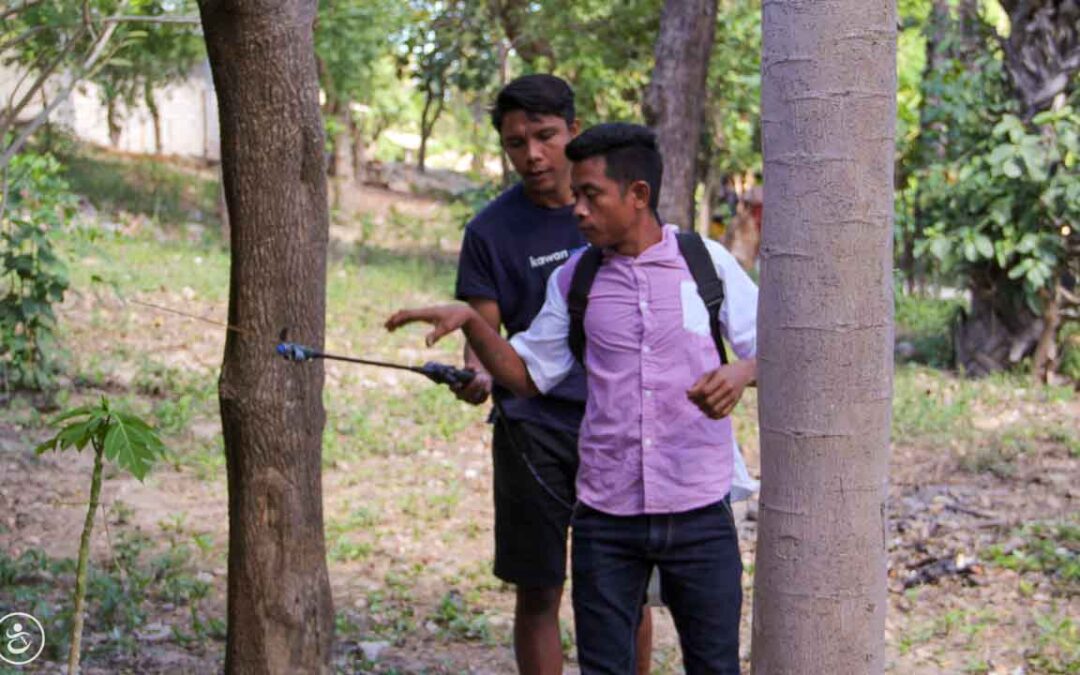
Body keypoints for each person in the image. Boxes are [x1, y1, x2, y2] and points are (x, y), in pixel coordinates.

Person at [388, 123, 758, 674]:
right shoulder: (575, 280)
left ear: (637, 196)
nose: (577, 211)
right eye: (575, 195)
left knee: (714, 665)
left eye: (591, 195)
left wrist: (742, 371)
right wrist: (472, 323)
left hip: (699, 511)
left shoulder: (705, 263)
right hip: (606, 519)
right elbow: (528, 375)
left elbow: (779, 348)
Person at [451, 75, 653, 674]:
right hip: (532, 433)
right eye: (517, 143)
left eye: (545, 136)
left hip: (619, 425)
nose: (533, 155)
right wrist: (477, 376)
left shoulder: (621, 209)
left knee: (627, 588)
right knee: (538, 588)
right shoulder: (489, 232)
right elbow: (481, 341)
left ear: (574, 130)